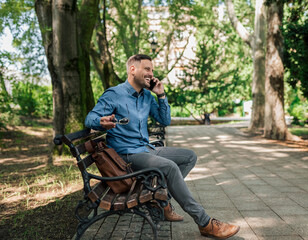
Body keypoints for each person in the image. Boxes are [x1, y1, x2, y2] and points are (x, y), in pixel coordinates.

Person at [85, 54, 240, 239]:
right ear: (132, 69)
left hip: (146, 148)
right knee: (170, 167)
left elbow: (165, 120)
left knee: (189, 157)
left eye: (152, 69)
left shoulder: (147, 97)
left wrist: (161, 95)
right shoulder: (114, 94)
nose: (151, 73)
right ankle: (205, 223)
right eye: (147, 69)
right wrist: (101, 121)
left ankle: (162, 200)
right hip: (125, 155)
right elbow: (89, 119)